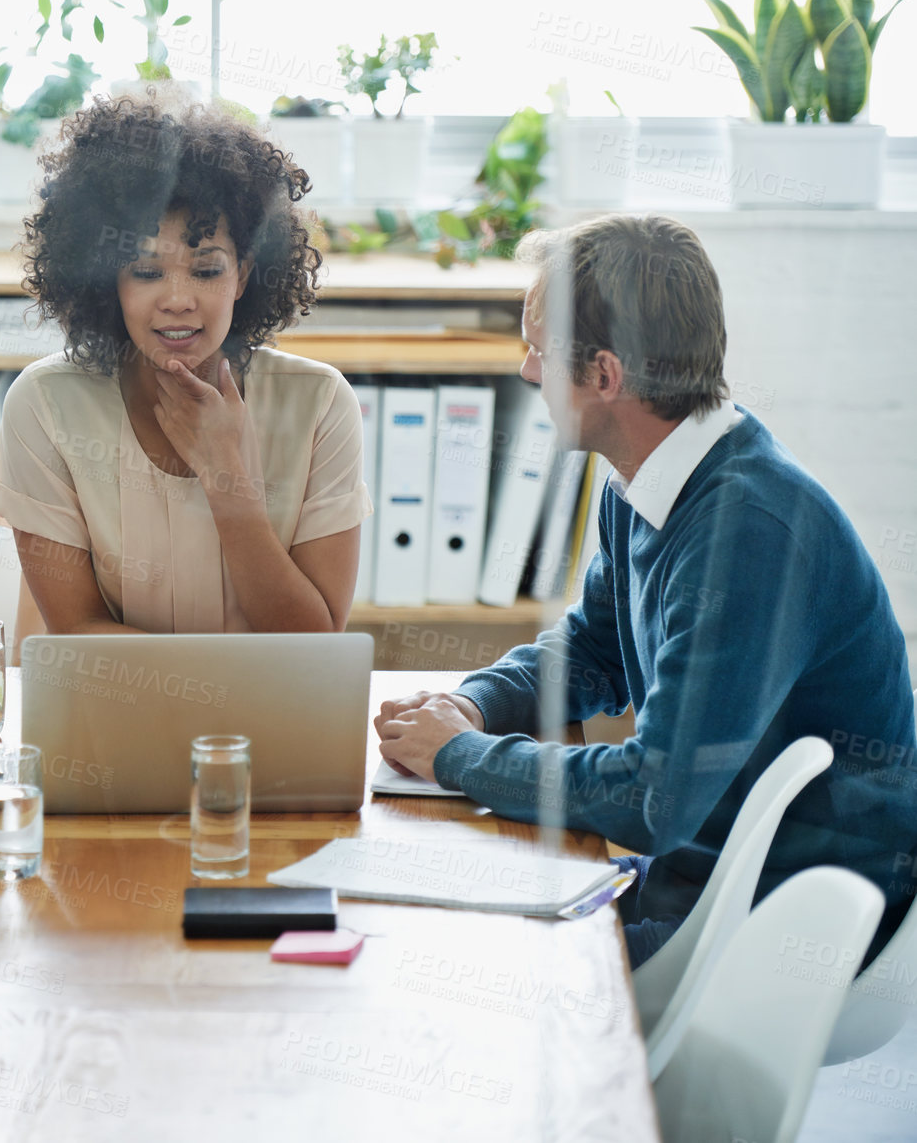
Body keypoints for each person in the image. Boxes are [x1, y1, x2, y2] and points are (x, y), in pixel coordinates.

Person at [375, 213, 917, 968]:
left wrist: (460, 756)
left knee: (466, 967)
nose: (526, 371)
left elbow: (649, 799)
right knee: (432, 912)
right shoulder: (647, 477)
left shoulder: (748, 531)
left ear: (603, 375)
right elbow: (591, 647)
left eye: (537, 350)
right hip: (699, 875)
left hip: (782, 914)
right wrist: (471, 704)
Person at [0, 97, 370, 637]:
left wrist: (224, 475)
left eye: (207, 270)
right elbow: (79, 631)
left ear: (243, 275)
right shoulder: (46, 402)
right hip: (109, 709)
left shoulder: (321, 404)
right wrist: (198, 694)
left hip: (265, 714)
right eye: (145, 272)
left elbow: (313, 642)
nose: (178, 301)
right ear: (106, 279)